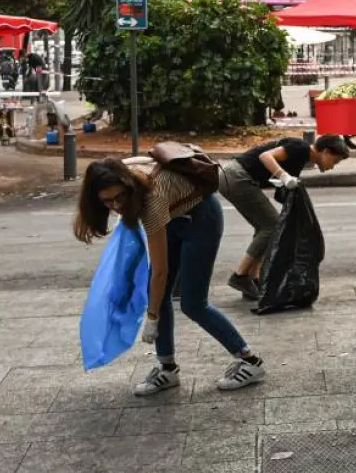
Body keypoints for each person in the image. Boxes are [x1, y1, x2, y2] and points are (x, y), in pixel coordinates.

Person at [72, 157, 267, 396]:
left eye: (119, 197)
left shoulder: (151, 201)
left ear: (128, 187)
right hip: (175, 216)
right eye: (107, 201)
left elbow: (160, 271)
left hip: (201, 218)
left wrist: (152, 318)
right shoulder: (118, 172)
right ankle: (167, 369)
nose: (116, 205)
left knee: (193, 304)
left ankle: (250, 361)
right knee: (160, 296)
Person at [220, 134, 350, 299]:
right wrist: (283, 175)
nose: (333, 166)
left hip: (233, 178)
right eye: (335, 161)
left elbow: (281, 193)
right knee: (272, 226)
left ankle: (253, 279)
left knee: (265, 227)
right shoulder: (301, 148)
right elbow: (265, 156)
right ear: (326, 152)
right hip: (237, 177)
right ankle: (240, 276)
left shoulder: (300, 160)